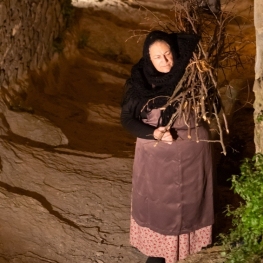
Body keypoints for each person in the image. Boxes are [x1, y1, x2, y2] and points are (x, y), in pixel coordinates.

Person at [121, 30, 214, 263]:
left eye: (168, 54)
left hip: (193, 155)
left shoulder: (192, 75)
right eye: (157, 57)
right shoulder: (140, 83)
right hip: (155, 160)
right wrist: (154, 133)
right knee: (160, 208)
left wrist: (203, 101)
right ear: (147, 58)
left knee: (191, 205)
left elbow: (214, 108)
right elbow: (127, 120)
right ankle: (159, 253)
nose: (165, 61)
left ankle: (186, 252)